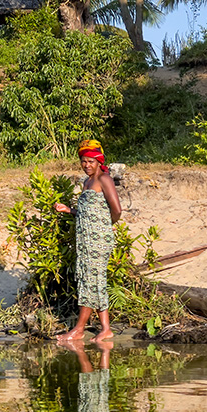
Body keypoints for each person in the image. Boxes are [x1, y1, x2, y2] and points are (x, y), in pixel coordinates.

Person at [54, 139, 122, 342]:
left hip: (98, 239)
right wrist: (69, 210)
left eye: (90, 161)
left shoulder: (104, 180)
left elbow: (116, 210)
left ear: (99, 161)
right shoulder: (87, 182)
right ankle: (106, 329)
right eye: (83, 161)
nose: (86, 165)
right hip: (85, 239)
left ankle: (79, 329)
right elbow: (87, 212)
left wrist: (105, 226)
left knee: (90, 281)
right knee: (95, 279)